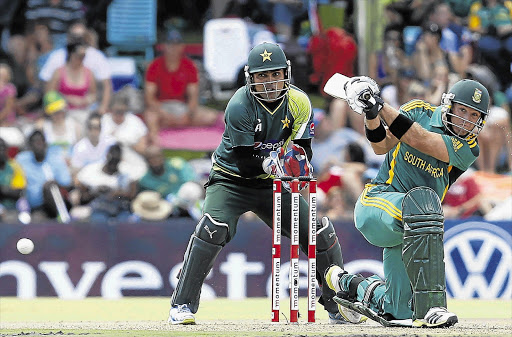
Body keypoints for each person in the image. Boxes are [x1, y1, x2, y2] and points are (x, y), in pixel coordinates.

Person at [168, 42, 365, 325]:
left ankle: (337, 305)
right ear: (251, 78)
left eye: (275, 74)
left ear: (286, 73)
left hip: (271, 183)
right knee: (213, 228)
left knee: (318, 231)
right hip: (231, 180)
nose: (270, 82)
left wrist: (295, 161)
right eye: (262, 76)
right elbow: (244, 160)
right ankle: (182, 305)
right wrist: (273, 163)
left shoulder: (299, 102)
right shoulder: (240, 105)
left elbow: (303, 149)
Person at [323, 76, 490, 328]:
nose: (466, 120)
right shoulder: (417, 111)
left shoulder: (468, 147)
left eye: (474, 115)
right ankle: (434, 306)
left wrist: (377, 104)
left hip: (411, 232)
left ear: (481, 121)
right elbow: (380, 146)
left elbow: (420, 139)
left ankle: (350, 284)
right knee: (424, 206)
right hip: (377, 204)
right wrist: (371, 113)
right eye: (462, 110)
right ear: (449, 106)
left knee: (398, 313)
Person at [144, 30, 220, 145]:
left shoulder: (189, 66)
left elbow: (193, 96)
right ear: (164, 46)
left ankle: (176, 124)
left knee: (212, 116)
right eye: (170, 45)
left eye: (177, 44)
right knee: (150, 116)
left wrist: (187, 114)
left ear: (182, 47)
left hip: (182, 107)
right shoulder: (154, 66)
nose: (173, 48)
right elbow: (149, 98)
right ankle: (155, 140)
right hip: (162, 107)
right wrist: (165, 114)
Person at [39, 21, 112, 115]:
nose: (78, 40)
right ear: (68, 37)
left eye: (81, 37)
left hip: (86, 111)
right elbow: (47, 89)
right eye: (75, 36)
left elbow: (105, 86)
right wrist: (65, 99)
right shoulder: (57, 57)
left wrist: (101, 107)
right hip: (60, 112)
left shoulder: (97, 57)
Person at [15, 129, 72, 220]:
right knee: (38, 219)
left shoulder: (55, 158)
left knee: (50, 186)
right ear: (30, 146)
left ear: (45, 144)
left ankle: (64, 218)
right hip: (36, 206)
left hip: (56, 202)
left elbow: (67, 183)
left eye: (40, 141)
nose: (38, 144)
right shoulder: (22, 160)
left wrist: (53, 183)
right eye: (35, 142)